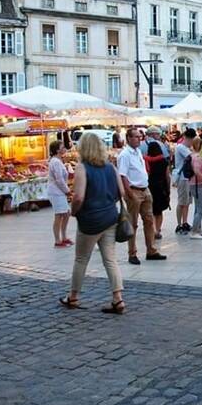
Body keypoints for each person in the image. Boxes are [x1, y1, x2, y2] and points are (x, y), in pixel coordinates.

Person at [60, 133, 127, 314]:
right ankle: (117, 298)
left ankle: (73, 297)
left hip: (90, 219)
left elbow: (79, 196)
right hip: (110, 217)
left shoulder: (83, 168)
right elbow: (121, 192)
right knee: (110, 259)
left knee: (81, 259)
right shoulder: (110, 167)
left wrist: (74, 211)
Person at [118, 127, 167, 264]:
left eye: (140, 137)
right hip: (133, 190)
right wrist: (129, 194)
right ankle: (132, 253)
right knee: (132, 224)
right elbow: (122, 175)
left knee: (149, 221)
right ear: (128, 138)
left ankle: (151, 250)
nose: (139, 139)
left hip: (144, 189)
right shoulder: (125, 154)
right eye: (135, 137)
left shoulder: (138, 151)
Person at [47, 140, 72, 247]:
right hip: (56, 192)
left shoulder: (58, 160)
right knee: (59, 215)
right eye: (62, 147)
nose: (64, 148)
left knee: (66, 213)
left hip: (59, 191)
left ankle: (64, 236)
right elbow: (59, 179)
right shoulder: (56, 162)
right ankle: (58, 239)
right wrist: (67, 191)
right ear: (57, 150)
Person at [144, 141, 171, 240]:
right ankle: (158, 230)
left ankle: (153, 229)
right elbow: (167, 176)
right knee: (159, 211)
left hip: (149, 186)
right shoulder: (163, 161)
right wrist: (168, 189)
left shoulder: (145, 160)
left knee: (151, 211)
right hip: (161, 187)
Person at [172, 128, 196, 235]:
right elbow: (192, 157)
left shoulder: (186, 147)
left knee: (187, 202)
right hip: (182, 177)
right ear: (186, 138)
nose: (191, 142)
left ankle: (185, 222)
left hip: (187, 178)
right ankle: (179, 224)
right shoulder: (181, 147)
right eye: (191, 140)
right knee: (182, 202)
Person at [188, 137, 202, 240]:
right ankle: (194, 230)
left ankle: (198, 229)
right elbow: (196, 171)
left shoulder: (193, 156)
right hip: (198, 184)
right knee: (201, 208)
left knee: (197, 208)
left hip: (195, 184)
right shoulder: (197, 157)